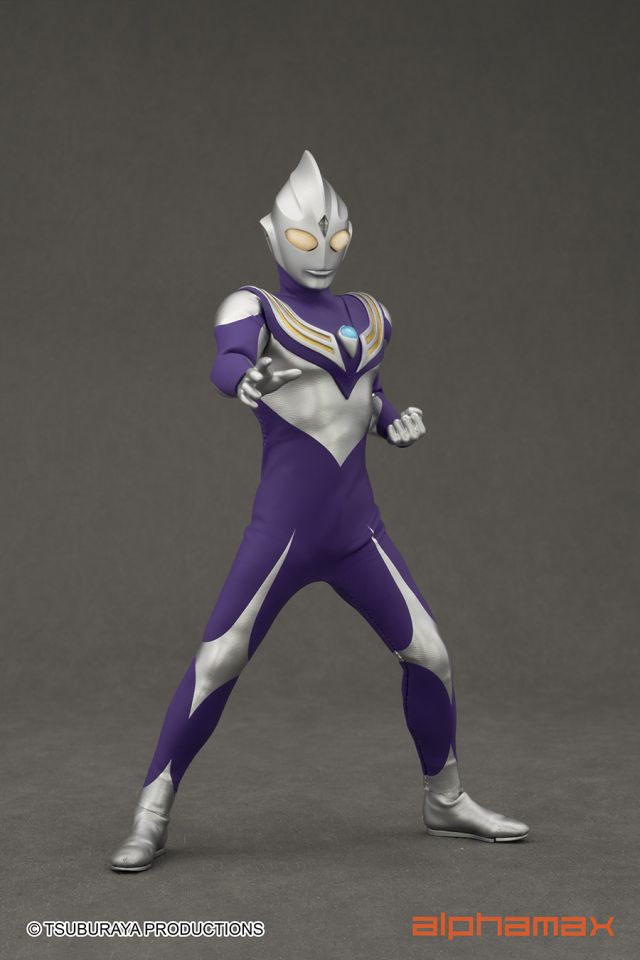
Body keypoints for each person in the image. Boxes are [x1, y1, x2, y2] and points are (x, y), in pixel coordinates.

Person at [110, 151, 529, 872]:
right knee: (219, 660)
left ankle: (446, 798)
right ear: (273, 235)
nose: (323, 251)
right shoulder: (253, 307)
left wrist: (392, 422)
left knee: (431, 655)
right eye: (305, 238)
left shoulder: (370, 314)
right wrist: (244, 378)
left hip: (357, 530)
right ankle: (151, 812)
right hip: (285, 531)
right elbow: (227, 361)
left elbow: (365, 393)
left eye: (336, 238)